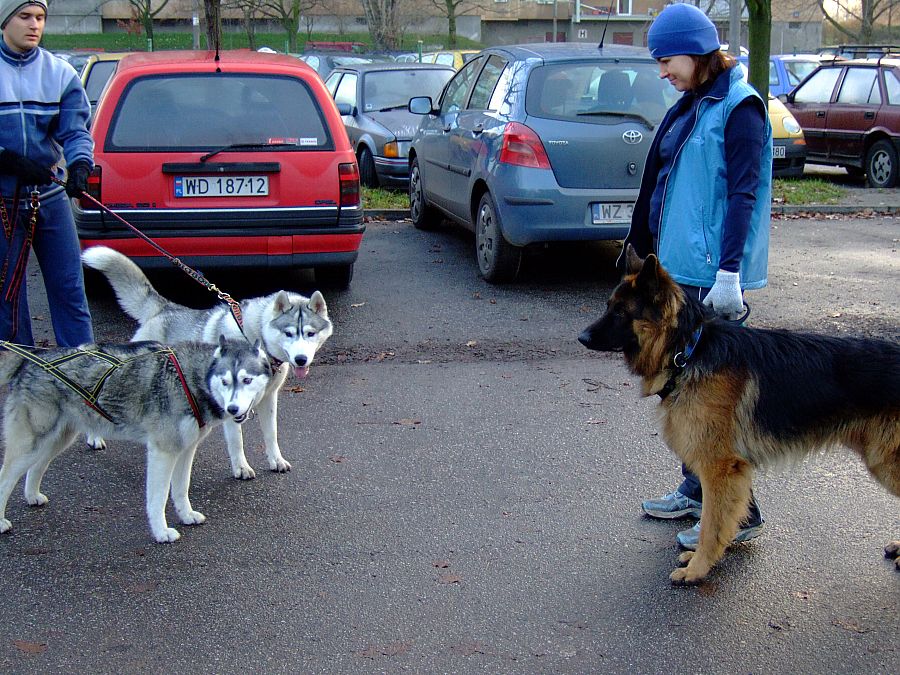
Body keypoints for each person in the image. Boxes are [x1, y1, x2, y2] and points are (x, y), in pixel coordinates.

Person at [617, 3, 772, 551]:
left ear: (696, 51)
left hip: (711, 275)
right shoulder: (691, 104)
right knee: (681, 393)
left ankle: (741, 513)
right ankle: (696, 488)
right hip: (677, 270)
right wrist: (638, 247)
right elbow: (658, 180)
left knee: (712, 406)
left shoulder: (739, 107)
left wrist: (730, 272)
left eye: (667, 60)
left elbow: (743, 193)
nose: (662, 72)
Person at [0, 0, 94, 347]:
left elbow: (76, 131)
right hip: (3, 200)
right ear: (5, 21)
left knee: (70, 288)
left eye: (40, 17)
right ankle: (18, 366)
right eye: (24, 16)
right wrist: (5, 159)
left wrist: (80, 164)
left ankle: (82, 365)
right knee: (7, 294)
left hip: (48, 197)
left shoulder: (60, 73)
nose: (34, 25)